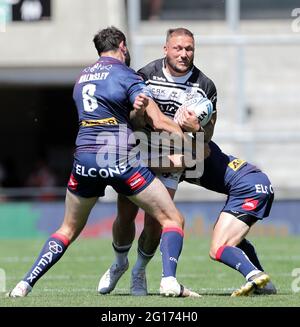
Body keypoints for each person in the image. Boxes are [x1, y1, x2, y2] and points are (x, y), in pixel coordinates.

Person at [7, 26, 200, 298]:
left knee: (68, 228)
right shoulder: (127, 75)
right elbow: (157, 121)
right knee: (172, 219)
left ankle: (24, 283)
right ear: (122, 45)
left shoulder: (82, 77)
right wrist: (186, 133)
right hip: (118, 157)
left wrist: (134, 111)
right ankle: (168, 280)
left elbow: (107, 112)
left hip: (85, 158)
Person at [98, 27, 275, 297]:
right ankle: (119, 262)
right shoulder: (145, 75)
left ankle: (140, 271)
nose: (184, 54)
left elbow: (207, 137)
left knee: (158, 220)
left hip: (176, 154)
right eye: (178, 48)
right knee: (125, 214)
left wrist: (196, 128)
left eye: (189, 49)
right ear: (165, 49)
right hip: (143, 150)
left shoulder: (205, 86)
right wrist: (137, 112)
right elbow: (132, 122)